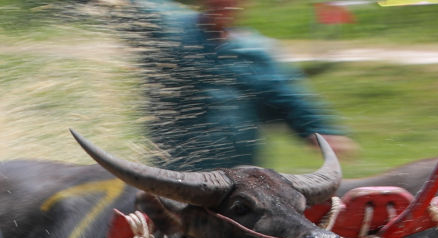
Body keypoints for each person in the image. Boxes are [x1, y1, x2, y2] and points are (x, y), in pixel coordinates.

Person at [118, 0, 358, 170]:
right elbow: (120, 6)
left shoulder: (256, 51)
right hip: (176, 179)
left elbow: (287, 98)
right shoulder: (167, 29)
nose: (225, 3)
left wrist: (320, 131)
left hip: (239, 186)